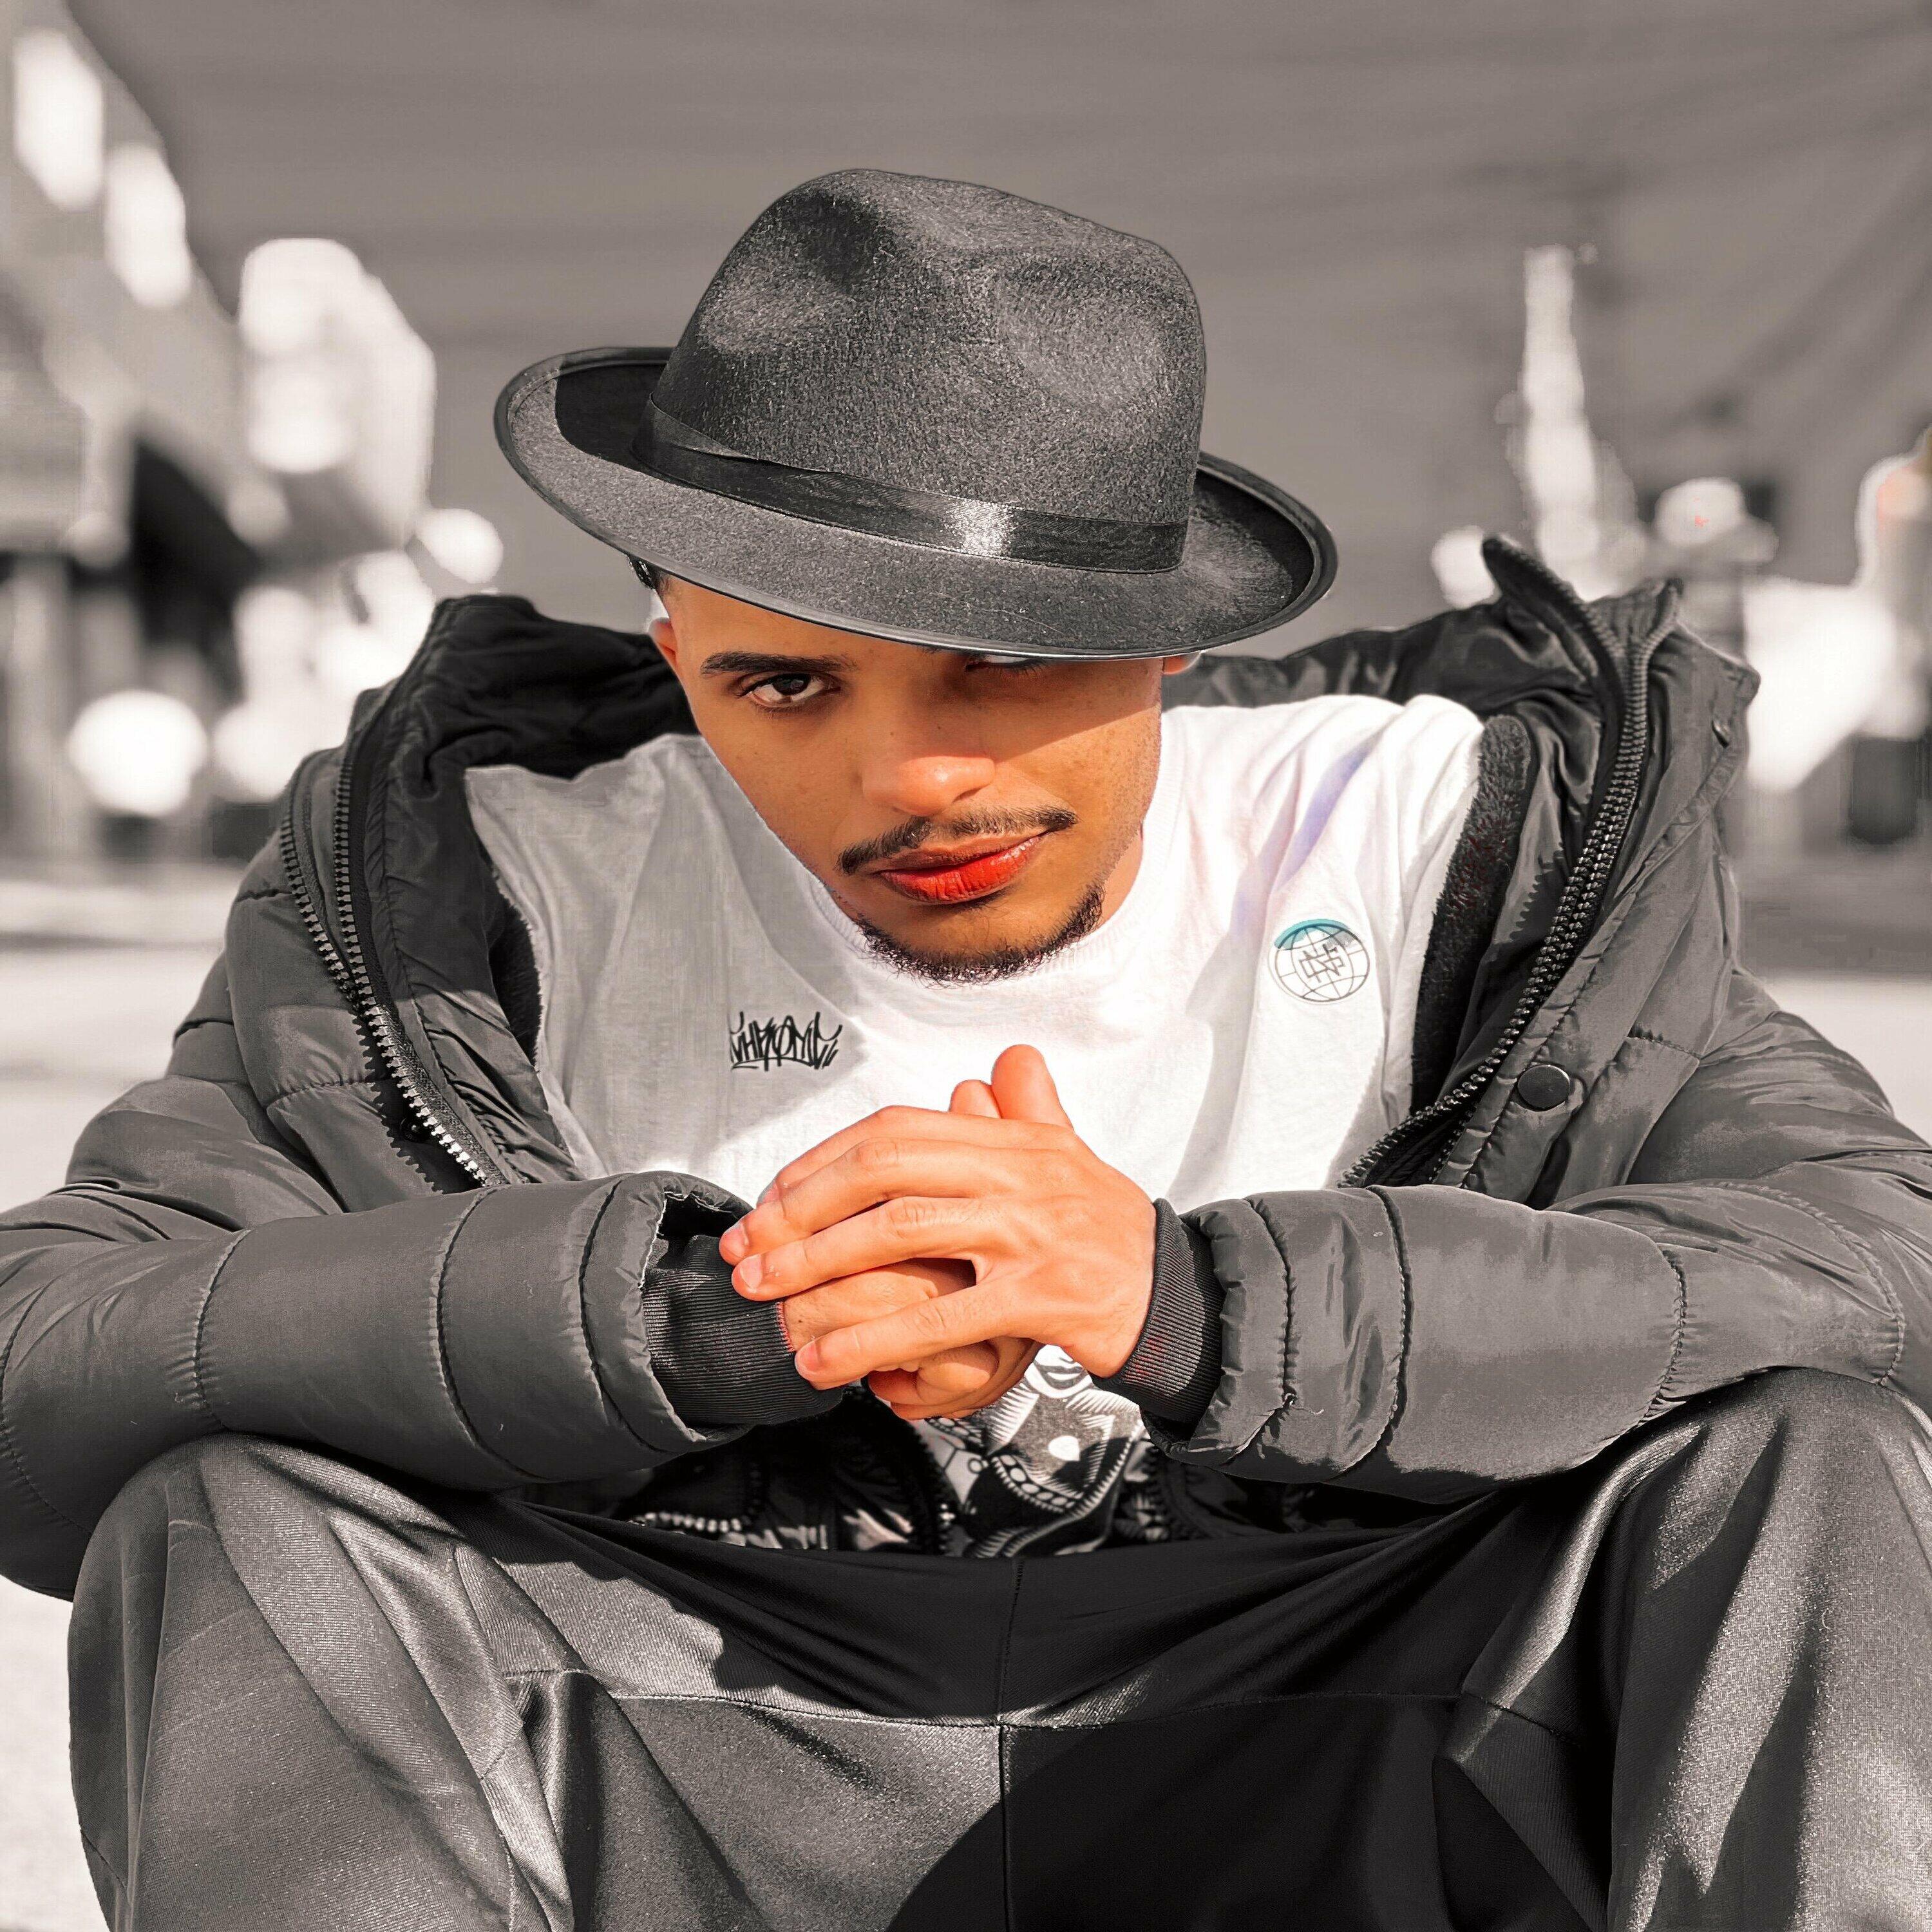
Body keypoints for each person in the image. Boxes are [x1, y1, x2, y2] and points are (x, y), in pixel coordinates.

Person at [5, 170, 1932, 1932]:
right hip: (692, 1733)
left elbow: (1880, 1269)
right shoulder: (483, 881)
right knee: (233, 1511)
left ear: (1170, 634)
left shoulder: (1453, 843)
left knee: (1807, 1462)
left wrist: (1192, 1302)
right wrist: (692, 1322)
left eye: (1002, 666)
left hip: (1363, 1716)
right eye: (783, 682)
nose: (911, 778)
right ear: (673, 651)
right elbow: (46, 1354)